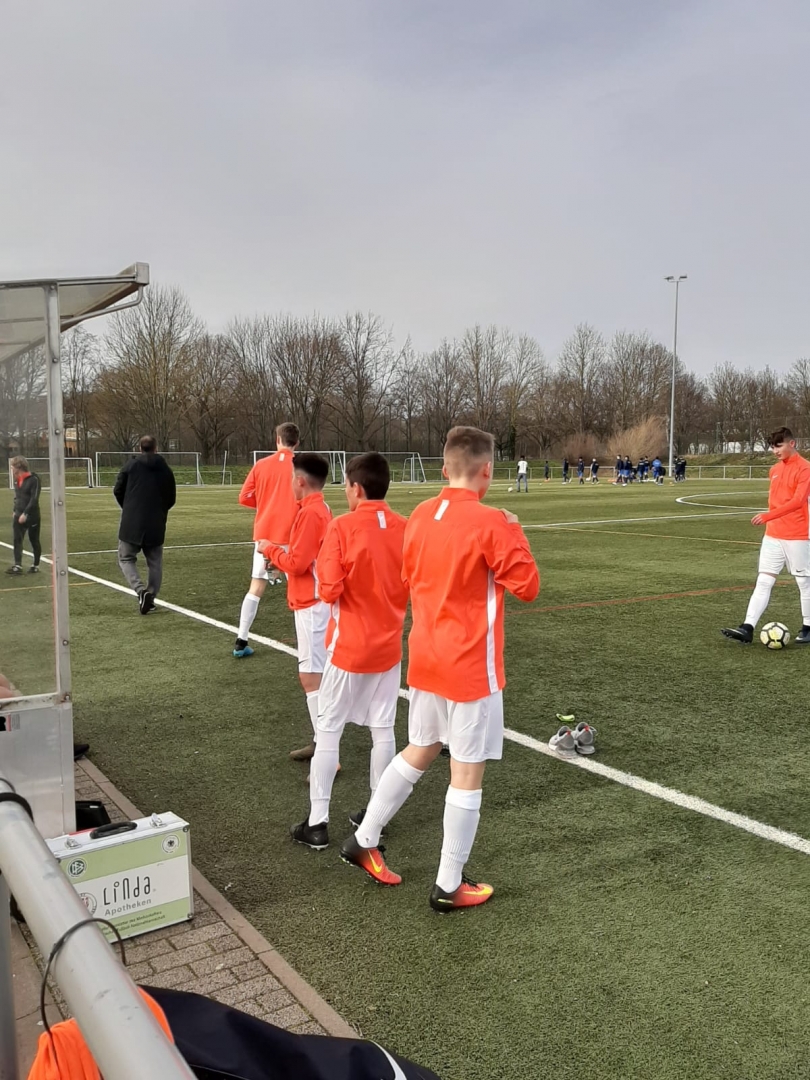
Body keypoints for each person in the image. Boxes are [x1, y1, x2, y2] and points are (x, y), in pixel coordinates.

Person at [340, 426, 540, 911]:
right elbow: (528, 586)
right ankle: (448, 883)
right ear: (487, 471)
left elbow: (409, 575)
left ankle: (364, 838)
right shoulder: (493, 521)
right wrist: (514, 528)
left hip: (427, 659)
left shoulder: (420, 515)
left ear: (444, 468)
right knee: (466, 772)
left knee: (421, 748)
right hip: (469, 667)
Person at [289, 452, 408, 849]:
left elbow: (328, 590)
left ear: (356, 488)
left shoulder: (341, 527)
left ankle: (317, 823)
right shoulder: (404, 527)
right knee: (383, 729)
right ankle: (377, 815)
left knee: (328, 729)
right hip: (389, 647)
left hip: (350, 647)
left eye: (346, 485)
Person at [260, 453, 333, 759]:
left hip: (312, 603)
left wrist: (271, 550)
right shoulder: (317, 509)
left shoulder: (311, 513)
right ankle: (323, 741)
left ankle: (326, 748)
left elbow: (299, 563)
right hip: (314, 600)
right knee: (316, 673)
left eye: (292, 478)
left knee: (311, 675)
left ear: (300, 481)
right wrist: (281, 560)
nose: (290, 483)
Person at [722, 428, 810, 645]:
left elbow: (798, 501)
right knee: (764, 580)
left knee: (804, 582)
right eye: (772, 447)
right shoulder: (774, 470)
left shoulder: (805, 468)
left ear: (792, 443)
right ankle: (747, 627)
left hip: (797, 535)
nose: (775, 451)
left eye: (779, 446)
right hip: (773, 535)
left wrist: (768, 515)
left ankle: (808, 626)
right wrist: (771, 520)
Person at [233, 423, 300, 658]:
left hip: (264, 535)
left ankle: (241, 640)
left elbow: (244, 497)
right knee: (299, 587)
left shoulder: (261, 465)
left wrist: (265, 505)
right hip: (292, 534)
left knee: (256, 585)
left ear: (277, 440)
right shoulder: (300, 466)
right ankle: (308, 642)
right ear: (297, 443)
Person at [113, 437, 176, 613]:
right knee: (155, 562)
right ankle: (150, 596)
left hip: (131, 522)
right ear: (156, 448)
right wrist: (160, 511)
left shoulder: (130, 466)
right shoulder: (165, 469)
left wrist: (129, 508)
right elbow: (171, 497)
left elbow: (118, 490)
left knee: (126, 558)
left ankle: (141, 591)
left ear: (140, 448)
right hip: (155, 522)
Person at [6, 456, 41, 575]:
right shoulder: (17, 480)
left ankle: (35, 565)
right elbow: (17, 497)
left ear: (19, 467)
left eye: (13, 466)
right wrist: (15, 510)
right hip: (18, 514)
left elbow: (34, 499)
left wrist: (25, 513)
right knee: (17, 539)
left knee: (34, 540)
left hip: (32, 515)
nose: (11, 469)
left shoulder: (34, 479)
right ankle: (17, 566)